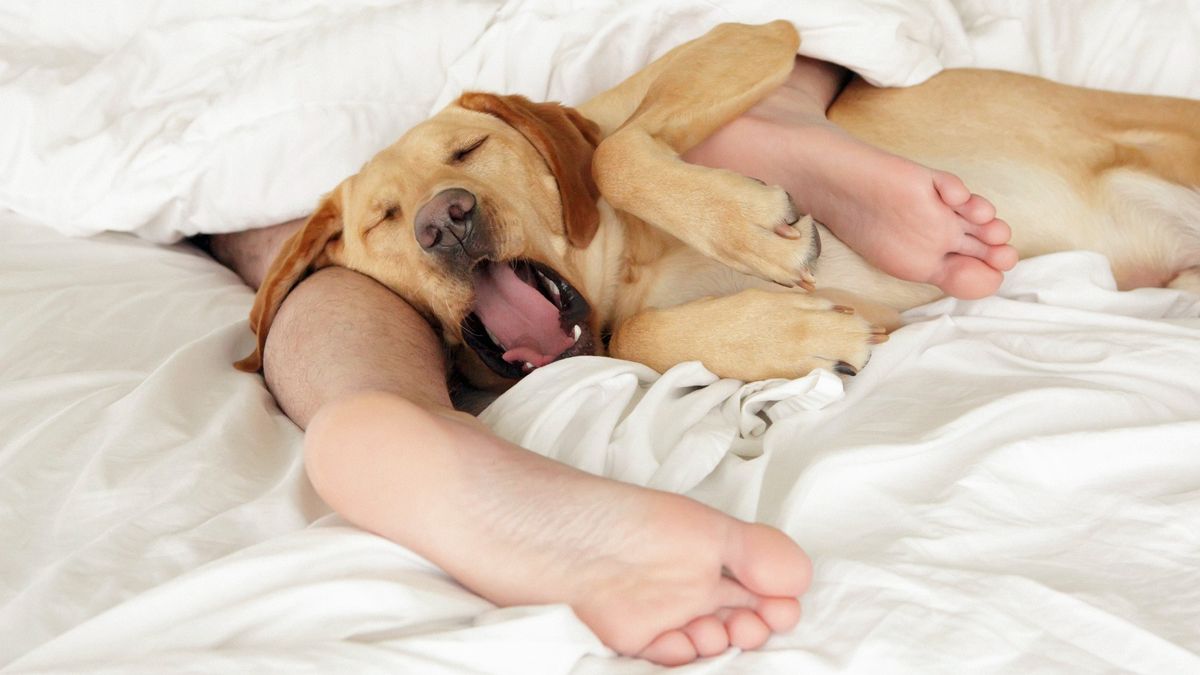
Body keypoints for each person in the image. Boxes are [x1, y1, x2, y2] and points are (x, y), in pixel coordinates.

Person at [209, 56, 1016, 666]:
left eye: (467, 155)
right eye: (392, 214)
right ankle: (402, 435)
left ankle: (374, 418)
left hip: (641, 73)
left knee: (676, 119)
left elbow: (771, 36)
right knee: (298, 248)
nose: (438, 212)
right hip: (263, 133)